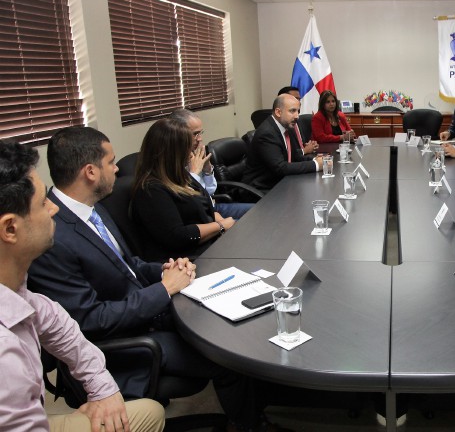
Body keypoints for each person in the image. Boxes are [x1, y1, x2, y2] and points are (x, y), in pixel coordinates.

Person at [27, 127, 277, 432]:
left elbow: (127, 265)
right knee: (229, 356)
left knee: (234, 321)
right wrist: (163, 289)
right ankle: (248, 424)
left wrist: (164, 270)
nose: (117, 169)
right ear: (90, 172)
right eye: (111, 162)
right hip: (122, 344)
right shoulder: (52, 237)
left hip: (147, 312)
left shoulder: (91, 210)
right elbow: (90, 321)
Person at [0, 141, 165, 432]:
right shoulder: (4, 356)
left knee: (148, 412)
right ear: (10, 228)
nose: (53, 208)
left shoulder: (16, 288)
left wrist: (103, 388)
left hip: (30, 412)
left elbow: (58, 324)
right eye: (41, 203)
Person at [130, 119, 235, 262]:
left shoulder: (179, 175)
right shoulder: (150, 190)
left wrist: (223, 224)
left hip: (210, 245)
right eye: (187, 148)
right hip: (187, 260)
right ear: (173, 153)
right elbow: (178, 236)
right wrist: (220, 226)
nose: (192, 152)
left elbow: (205, 208)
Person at [169, 109, 253, 220]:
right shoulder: (171, 163)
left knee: (258, 211)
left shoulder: (193, 155)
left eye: (200, 133)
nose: (200, 139)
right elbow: (190, 204)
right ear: (178, 133)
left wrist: (207, 170)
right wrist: (194, 173)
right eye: (195, 134)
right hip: (199, 216)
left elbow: (209, 191)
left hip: (212, 208)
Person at [242, 94, 323, 192]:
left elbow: (294, 156)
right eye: (292, 111)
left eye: (298, 111)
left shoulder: (287, 127)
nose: (297, 116)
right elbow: (280, 167)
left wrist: (316, 159)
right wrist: (316, 165)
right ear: (278, 112)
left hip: (281, 182)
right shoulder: (267, 133)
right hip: (260, 189)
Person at [278, 86, 318, 155]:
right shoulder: (282, 125)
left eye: (299, 99)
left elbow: (298, 146)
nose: (298, 102)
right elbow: (287, 155)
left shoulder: (297, 121)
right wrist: (305, 150)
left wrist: (309, 146)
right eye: (295, 99)